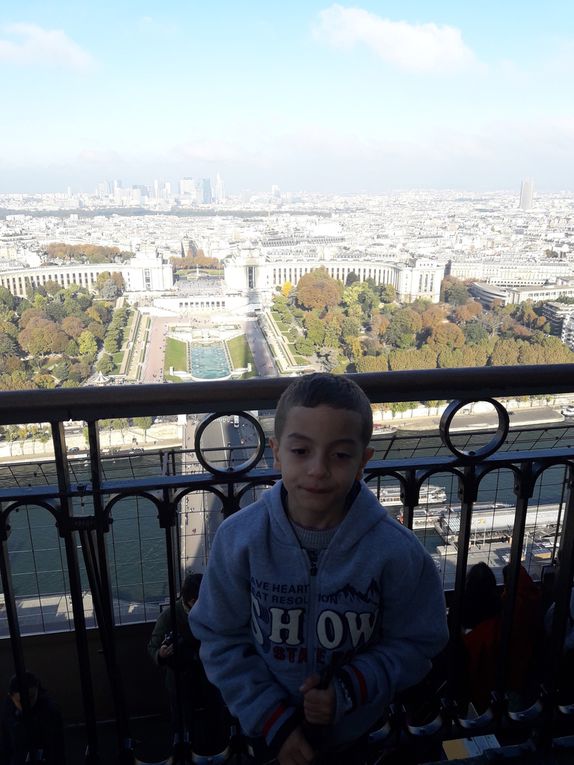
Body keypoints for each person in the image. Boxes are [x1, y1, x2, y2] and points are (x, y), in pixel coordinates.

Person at [189, 373, 449, 765]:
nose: (318, 469)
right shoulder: (238, 540)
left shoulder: (396, 552)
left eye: (340, 455)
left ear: (363, 462)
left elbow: (420, 641)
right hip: (272, 733)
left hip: (356, 732)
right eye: (301, 452)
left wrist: (348, 688)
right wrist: (274, 721)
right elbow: (219, 637)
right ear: (276, 453)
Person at [147, 572, 230, 758]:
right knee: (183, 717)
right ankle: (185, 748)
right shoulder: (170, 616)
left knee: (214, 710)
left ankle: (211, 744)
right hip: (184, 676)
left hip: (204, 673)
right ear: (193, 600)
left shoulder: (175, 615)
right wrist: (160, 654)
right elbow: (152, 647)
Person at [0, 672, 66, 765]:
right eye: (21, 701)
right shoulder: (7, 711)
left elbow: (57, 751)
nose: (26, 704)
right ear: (11, 697)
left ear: (37, 690)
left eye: (31, 697)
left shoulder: (50, 711)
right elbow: (5, 748)